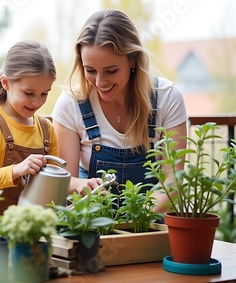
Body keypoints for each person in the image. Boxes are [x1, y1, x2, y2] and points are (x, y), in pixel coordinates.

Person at [51, 9, 188, 213]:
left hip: (150, 221)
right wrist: (79, 185)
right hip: (94, 222)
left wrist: (139, 216)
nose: (100, 82)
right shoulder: (70, 104)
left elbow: (173, 180)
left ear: (132, 60)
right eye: (90, 70)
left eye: (111, 71)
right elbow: (65, 181)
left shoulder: (167, 98)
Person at [0, 40, 59, 215]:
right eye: (29, 93)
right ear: (6, 83)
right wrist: (16, 170)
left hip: (29, 229)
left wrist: (85, 185)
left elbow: (54, 183)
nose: (37, 102)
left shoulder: (47, 129)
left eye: (44, 93)